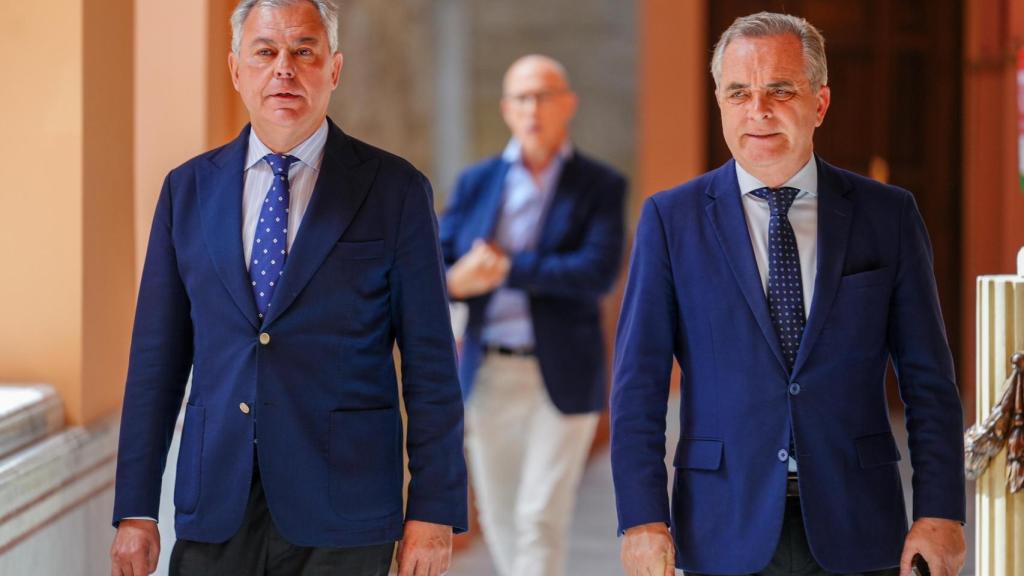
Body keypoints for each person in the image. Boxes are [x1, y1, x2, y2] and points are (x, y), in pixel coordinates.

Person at [109, 1, 467, 575]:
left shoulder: (396, 191)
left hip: (345, 509)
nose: (284, 69)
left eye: (304, 51)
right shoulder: (187, 192)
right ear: (235, 70)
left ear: (335, 69)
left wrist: (434, 510)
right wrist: (135, 509)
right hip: (216, 504)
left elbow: (430, 363)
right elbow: (156, 361)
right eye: (266, 52)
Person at [611, 11, 966, 576]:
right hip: (721, 525)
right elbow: (638, 388)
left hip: (859, 523)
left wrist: (941, 513)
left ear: (820, 103)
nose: (759, 111)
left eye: (780, 89)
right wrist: (642, 520)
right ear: (720, 104)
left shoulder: (887, 216)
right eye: (739, 93)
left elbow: (929, 382)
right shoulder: (669, 220)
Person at [439, 54, 626, 576]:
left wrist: (505, 268)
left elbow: (596, 272)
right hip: (487, 371)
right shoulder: (477, 182)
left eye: (544, 95)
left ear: (568, 104)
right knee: (498, 513)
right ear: (505, 109)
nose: (532, 107)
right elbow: (436, 258)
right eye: (521, 97)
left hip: (562, 372)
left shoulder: (599, 185)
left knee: (539, 514)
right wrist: (456, 281)